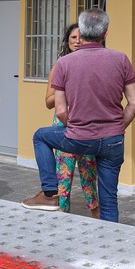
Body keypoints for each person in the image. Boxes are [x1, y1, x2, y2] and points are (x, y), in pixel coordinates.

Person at [22, 8, 135, 223]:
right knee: (109, 199)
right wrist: (118, 127)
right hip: (113, 140)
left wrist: (74, 127)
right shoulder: (121, 59)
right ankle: (108, 249)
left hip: (79, 137)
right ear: (105, 33)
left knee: (40, 136)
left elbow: (59, 110)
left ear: (82, 33)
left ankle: (50, 193)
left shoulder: (64, 64)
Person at [45, 23, 99, 217]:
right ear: (67, 42)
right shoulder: (58, 66)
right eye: (73, 38)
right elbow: (49, 102)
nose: (77, 42)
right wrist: (66, 92)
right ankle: (62, 213)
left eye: (81, 38)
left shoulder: (92, 66)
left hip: (86, 125)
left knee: (88, 173)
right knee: (64, 174)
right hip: (64, 125)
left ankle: (96, 215)